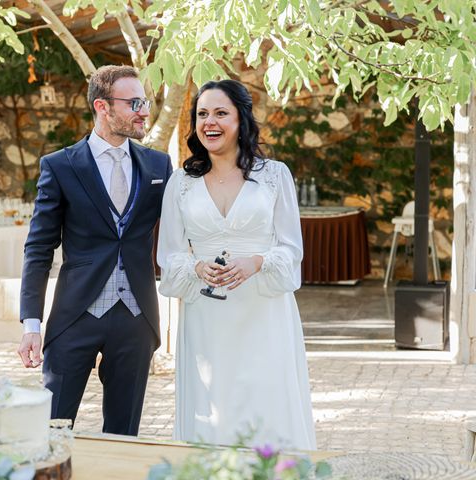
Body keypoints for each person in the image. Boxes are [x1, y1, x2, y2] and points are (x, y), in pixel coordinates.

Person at [157, 80, 316, 449]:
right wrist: (196, 268)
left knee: (266, 401)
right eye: (202, 114)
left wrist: (257, 261)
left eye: (220, 113)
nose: (209, 122)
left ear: (241, 121)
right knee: (211, 406)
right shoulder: (181, 182)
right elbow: (170, 255)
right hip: (206, 317)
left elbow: (292, 249)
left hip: (264, 311)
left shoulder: (275, 176)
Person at [17, 65, 172, 435]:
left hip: (136, 319)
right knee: (51, 431)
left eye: (145, 101)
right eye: (134, 102)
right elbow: (39, 248)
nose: (144, 111)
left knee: (123, 436)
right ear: (103, 107)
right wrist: (31, 323)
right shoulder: (60, 166)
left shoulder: (158, 165)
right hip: (74, 317)